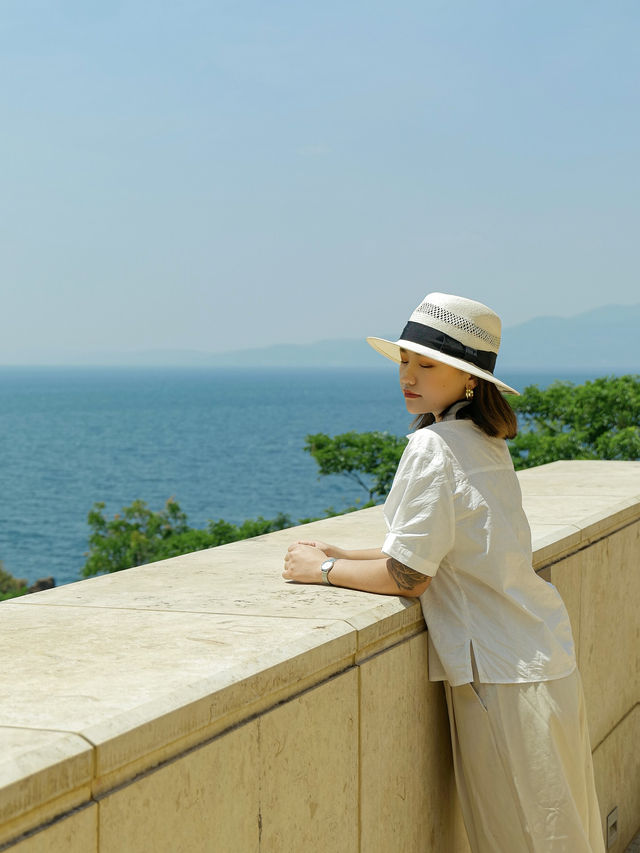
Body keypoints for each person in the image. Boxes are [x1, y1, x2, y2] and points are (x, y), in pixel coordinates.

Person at [283, 292, 605, 852]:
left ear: (469, 379)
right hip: (539, 653)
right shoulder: (484, 441)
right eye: (405, 360)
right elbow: (451, 549)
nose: (408, 375)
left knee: (521, 837)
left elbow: (412, 576)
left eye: (427, 365)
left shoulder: (433, 445)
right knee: (563, 830)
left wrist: (325, 569)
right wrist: (349, 552)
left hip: (502, 674)